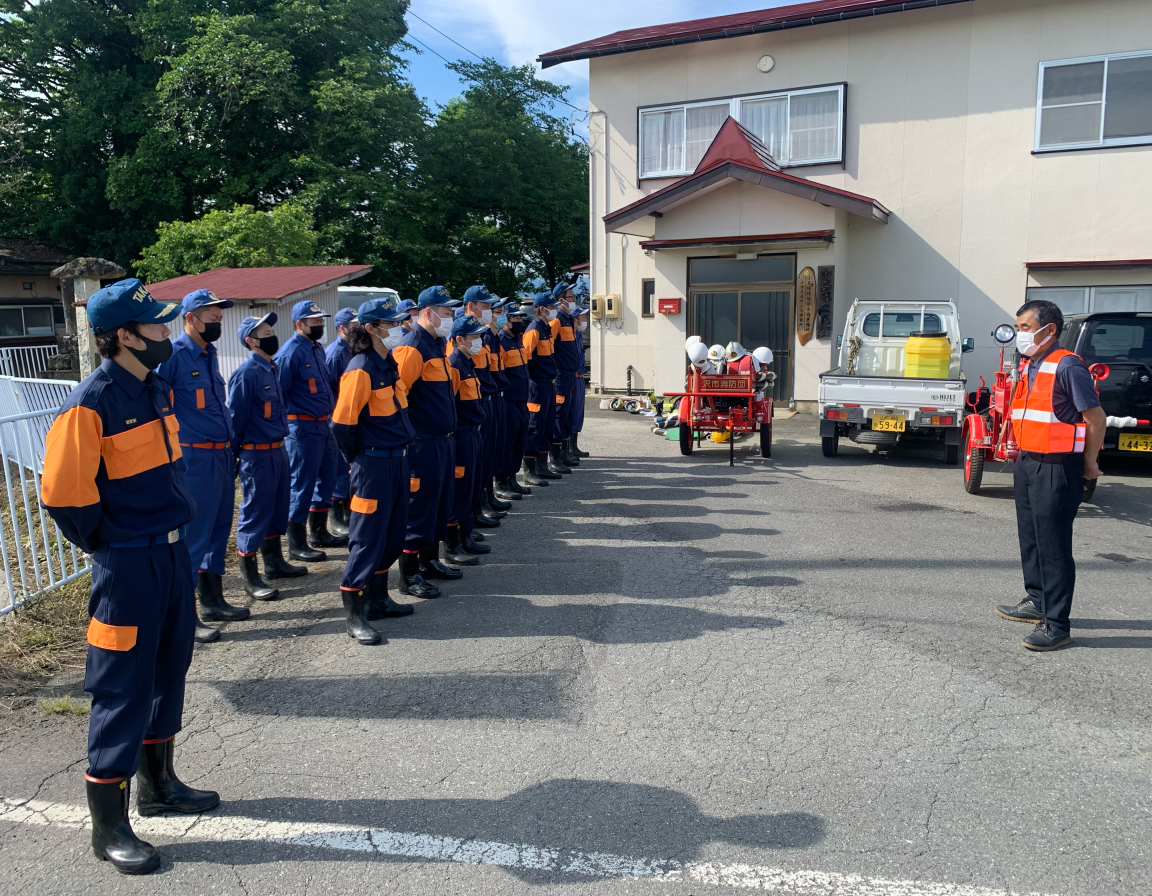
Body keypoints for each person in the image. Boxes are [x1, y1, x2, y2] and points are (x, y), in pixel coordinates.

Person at [40, 278, 217, 875]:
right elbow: (65, 498)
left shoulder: (155, 387)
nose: (167, 333)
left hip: (171, 555)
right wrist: (113, 545)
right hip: (129, 565)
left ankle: (160, 785)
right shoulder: (90, 404)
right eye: (157, 325)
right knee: (121, 687)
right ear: (123, 336)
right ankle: (109, 826)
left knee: (171, 667)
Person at [995, 299, 1106, 651]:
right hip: (1029, 463)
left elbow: (1095, 419)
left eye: (1026, 328)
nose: (1020, 334)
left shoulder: (1067, 366)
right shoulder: (1031, 365)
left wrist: (1090, 464)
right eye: (1019, 327)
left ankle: (1057, 624)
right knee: (1031, 538)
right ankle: (1036, 600)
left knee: (1054, 546)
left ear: (1049, 330)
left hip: (1058, 467)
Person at [155, 288, 249, 644]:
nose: (218, 321)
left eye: (220, 316)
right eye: (211, 316)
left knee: (217, 531)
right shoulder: (174, 356)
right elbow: (158, 405)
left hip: (221, 454)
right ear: (190, 318)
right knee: (193, 538)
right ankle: (185, 617)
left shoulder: (209, 355)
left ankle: (213, 601)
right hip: (194, 458)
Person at [331, 299, 416, 645]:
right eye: (390, 323)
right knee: (366, 538)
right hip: (372, 465)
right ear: (371, 328)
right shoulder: (360, 368)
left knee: (393, 533)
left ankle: (380, 598)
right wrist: (358, 460)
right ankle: (355, 612)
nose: (398, 328)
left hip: (398, 460)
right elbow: (341, 425)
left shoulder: (389, 364)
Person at [228, 313, 307, 599]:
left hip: (278, 449)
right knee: (255, 511)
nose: (272, 334)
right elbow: (236, 419)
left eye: (272, 329)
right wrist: (234, 456)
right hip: (256, 454)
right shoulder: (247, 373)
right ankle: (250, 576)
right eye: (265, 331)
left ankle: (274, 562)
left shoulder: (272, 368)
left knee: (276, 508)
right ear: (251, 340)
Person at [392, 286, 462, 597]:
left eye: (451, 312)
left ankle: (429, 561)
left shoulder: (437, 345)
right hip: (421, 443)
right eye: (446, 312)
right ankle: (408, 575)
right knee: (419, 507)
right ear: (427, 312)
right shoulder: (412, 348)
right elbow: (398, 396)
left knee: (439, 503)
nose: (451, 317)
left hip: (442, 441)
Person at [274, 300, 347, 560]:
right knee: (301, 484)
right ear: (299, 324)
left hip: (323, 424)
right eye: (314, 321)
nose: (320, 325)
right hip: (302, 426)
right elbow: (278, 392)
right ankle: (297, 543)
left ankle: (319, 533)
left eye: (321, 321)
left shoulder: (316, 349)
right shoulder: (290, 353)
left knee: (326, 479)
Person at [444, 315, 492, 567]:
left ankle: (466, 534)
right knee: (460, 489)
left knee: (472, 485)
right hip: (461, 434)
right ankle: (452, 545)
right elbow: (449, 404)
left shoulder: (468, 363)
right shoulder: (454, 365)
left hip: (474, 432)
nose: (480, 341)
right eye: (475, 337)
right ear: (460, 339)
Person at [523, 291, 567, 479]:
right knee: (534, 426)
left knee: (547, 425)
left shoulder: (546, 329)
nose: (554, 311)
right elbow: (526, 358)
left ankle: (542, 465)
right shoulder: (534, 330)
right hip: (537, 385)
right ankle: (530, 470)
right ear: (541, 309)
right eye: (551, 308)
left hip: (549, 383)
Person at [324, 307, 357, 539]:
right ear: (342, 329)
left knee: (349, 469)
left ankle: (348, 514)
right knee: (339, 471)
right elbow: (332, 390)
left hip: (354, 419)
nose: (357, 329)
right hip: (339, 419)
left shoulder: (354, 349)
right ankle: (336, 519)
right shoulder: (335, 353)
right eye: (353, 326)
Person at [498, 301, 538, 491]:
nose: (519, 321)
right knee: (506, 444)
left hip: (522, 400)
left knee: (518, 442)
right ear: (505, 320)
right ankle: (501, 482)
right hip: (508, 401)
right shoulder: (501, 341)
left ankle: (513, 478)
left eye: (520, 318)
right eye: (515, 318)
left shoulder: (518, 340)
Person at [550, 282, 582, 468]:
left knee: (569, 413)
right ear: (561, 299)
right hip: (561, 375)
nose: (574, 300)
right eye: (571, 297)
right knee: (559, 413)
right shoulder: (557, 320)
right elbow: (549, 347)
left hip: (570, 374)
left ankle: (565, 452)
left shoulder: (568, 319)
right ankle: (555, 458)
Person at [569, 304, 591, 458]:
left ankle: (574, 445)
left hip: (580, 377)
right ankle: (567, 448)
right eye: (583, 317)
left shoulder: (578, 335)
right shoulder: (569, 335)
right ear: (575, 320)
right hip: (572, 378)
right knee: (570, 412)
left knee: (578, 414)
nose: (585, 320)